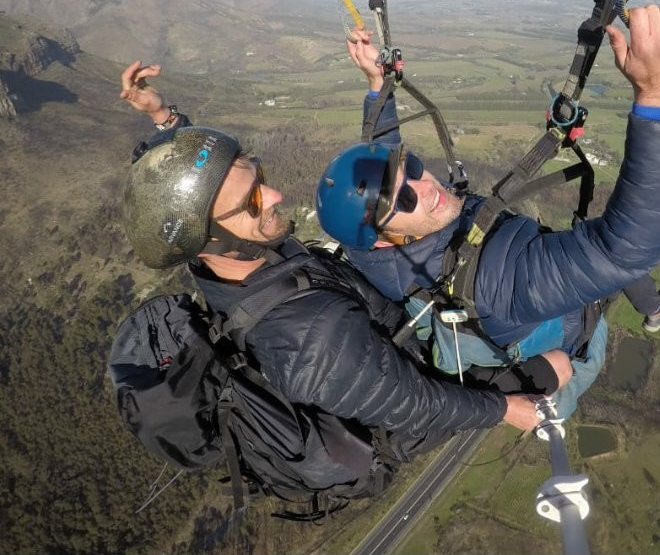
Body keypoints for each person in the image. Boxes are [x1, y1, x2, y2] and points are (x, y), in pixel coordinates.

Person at [116, 61, 549, 474]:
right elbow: (415, 403)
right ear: (210, 240)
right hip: (417, 394)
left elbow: (205, 198)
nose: (274, 195)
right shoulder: (307, 339)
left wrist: (166, 120)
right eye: (253, 201)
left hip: (379, 331)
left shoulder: (237, 254)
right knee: (562, 360)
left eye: (259, 177)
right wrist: (505, 409)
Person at [317, 3, 660, 415]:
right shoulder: (498, 281)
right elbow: (627, 248)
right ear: (384, 242)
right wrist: (656, 97)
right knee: (616, 262)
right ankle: (654, 310)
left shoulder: (367, 245)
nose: (426, 187)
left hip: (505, 296)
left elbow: (381, 154)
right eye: (404, 199)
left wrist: (377, 85)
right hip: (567, 328)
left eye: (415, 169)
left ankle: (652, 307)